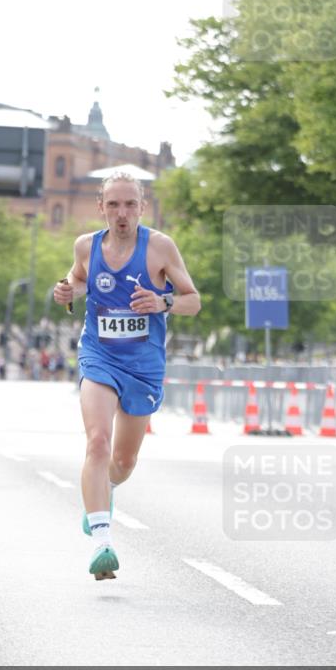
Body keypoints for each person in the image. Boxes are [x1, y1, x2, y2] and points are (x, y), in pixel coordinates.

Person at [53, 171, 201, 580]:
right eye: (113, 205)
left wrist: (162, 301)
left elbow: (193, 300)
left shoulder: (159, 247)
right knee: (97, 442)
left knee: (123, 459)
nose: (122, 213)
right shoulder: (87, 245)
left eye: (130, 204)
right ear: (100, 206)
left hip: (143, 364)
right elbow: (77, 279)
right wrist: (66, 290)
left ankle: (109, 490)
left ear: (142, 206)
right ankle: (102, 539)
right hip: (99, 355)